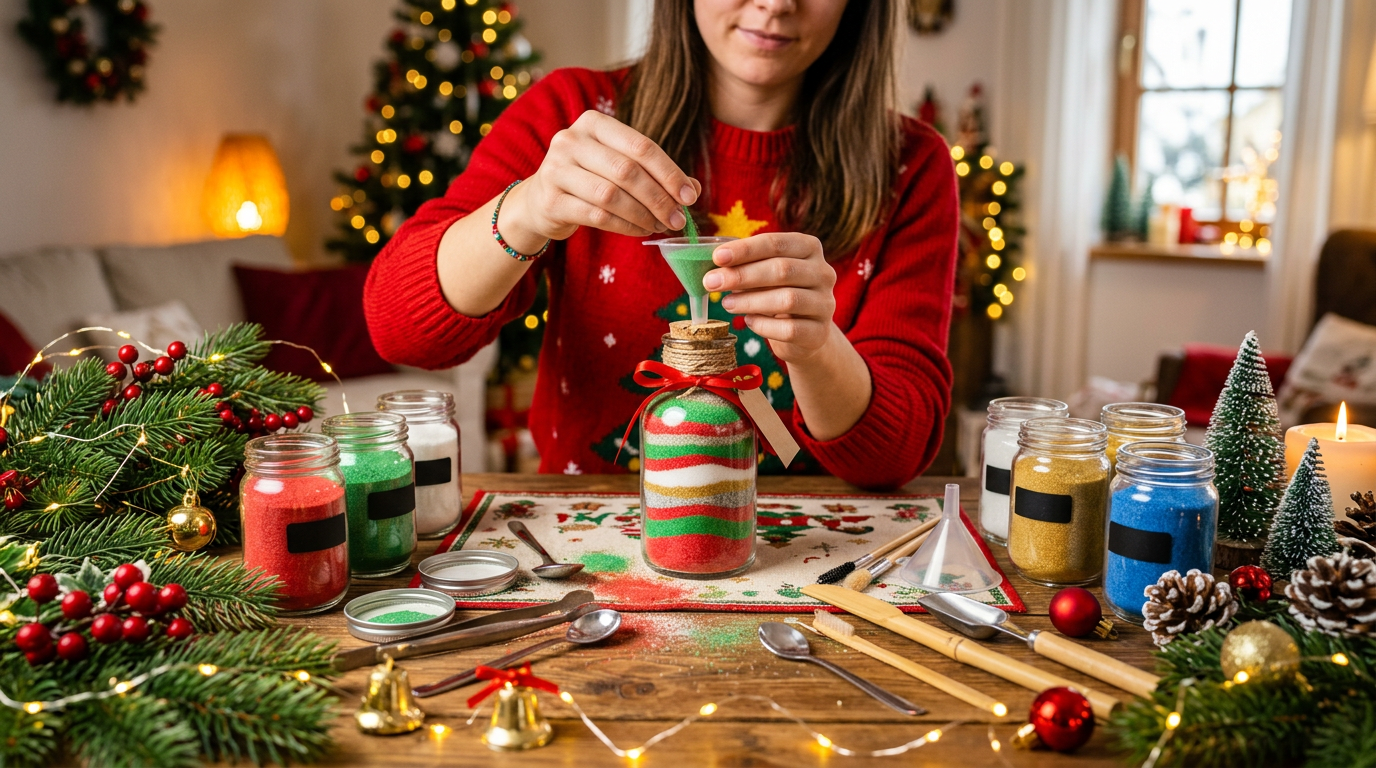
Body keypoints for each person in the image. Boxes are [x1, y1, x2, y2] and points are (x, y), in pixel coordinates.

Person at [364, 0, 958, 489]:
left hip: (804, 554)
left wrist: (816, 346)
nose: (777, 5)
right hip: (588, 547)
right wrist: (529, 207)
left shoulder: (910, 166)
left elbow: (895, 457)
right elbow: (399, 326)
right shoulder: (573, 115)